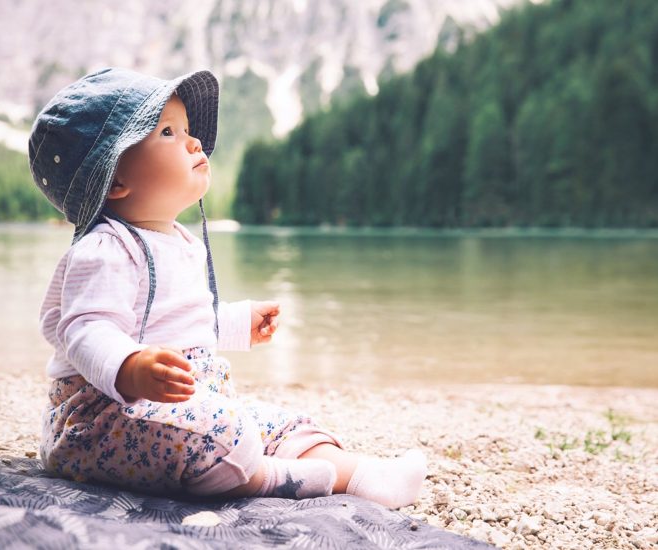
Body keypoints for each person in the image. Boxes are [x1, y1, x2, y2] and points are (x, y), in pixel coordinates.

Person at [29, 67, 426, 507]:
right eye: (167, 132)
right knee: (226, 432)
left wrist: (235, 323)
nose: (194, 142)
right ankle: (279, 478)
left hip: (180, 408)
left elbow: (178, 321)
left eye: (187, 130)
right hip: (102, 421)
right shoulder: (105, 249)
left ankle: (364, 474)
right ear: (116, 180)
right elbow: (87, 329)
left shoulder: (176, 241)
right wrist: (131, 367)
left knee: (280, 423)